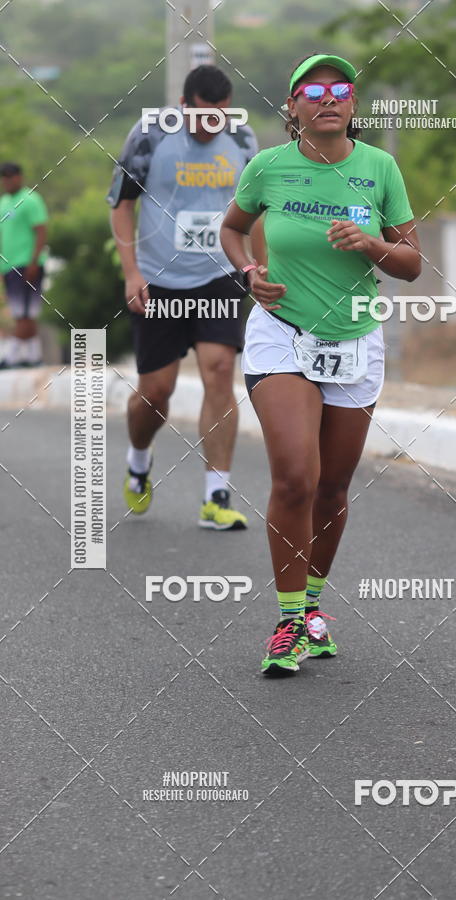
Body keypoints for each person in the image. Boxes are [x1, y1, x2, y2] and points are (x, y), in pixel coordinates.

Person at [221, 53, 421, 674]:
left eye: (340, 89)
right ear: (293, 107)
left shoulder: (380, 168)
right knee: (295, 478)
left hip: (355, 340)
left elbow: (412, 263)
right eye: (313, 91)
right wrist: (249, 271)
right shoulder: (267, 167)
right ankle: (287, 624)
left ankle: (311, 608)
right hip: (281, 333)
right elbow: (231, 229)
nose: (328, 98)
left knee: (332, 487)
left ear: (354, 104)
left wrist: (373, 244)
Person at [107, 65, 262, 529]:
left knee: (220, 371)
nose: (213, 125)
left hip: (219, 275)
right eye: (203, 116)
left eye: (221, 115)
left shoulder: (243, 139)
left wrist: (257, 266)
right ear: (183, 106)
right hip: (158, 280)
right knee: (156, 393)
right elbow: (122, 204)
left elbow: (256, 211)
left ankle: (216, 495)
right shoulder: (150, 135)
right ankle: (139, 459)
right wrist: (131, 273)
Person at [0, 162, 48, 369]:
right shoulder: (3, 202)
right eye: (4, 177)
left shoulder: (31, 199)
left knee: (25, 313)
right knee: (22, 312)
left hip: (27, 263)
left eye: (10, 177)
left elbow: (41, 231)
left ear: (19, 177)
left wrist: (34, 261)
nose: (7, 181)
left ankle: (10, 356)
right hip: (8, 265)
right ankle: (33, 356)